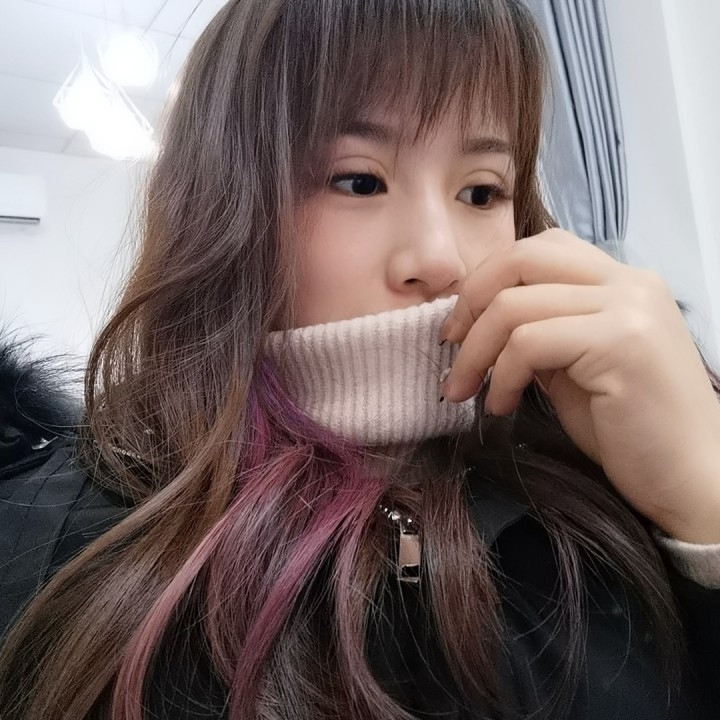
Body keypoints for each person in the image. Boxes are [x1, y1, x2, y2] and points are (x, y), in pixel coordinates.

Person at [1, 0, 719, 718]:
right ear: (223, 209)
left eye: (481, 191)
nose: (441, 258)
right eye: (359, 181)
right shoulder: (64, 540)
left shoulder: (603, 470)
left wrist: (703, 508)